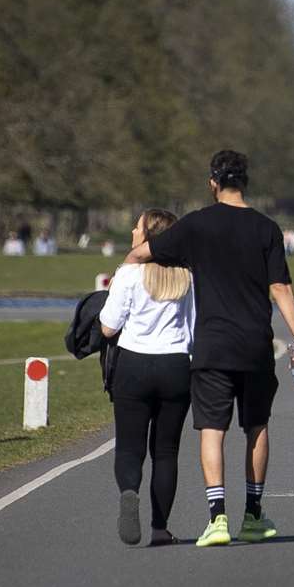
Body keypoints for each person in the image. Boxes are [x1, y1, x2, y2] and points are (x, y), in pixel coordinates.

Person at [124, 149, 294, 548]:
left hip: (212, 345)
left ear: (213, 183)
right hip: (256, 344)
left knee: (213, 429)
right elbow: (280, 287)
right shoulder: (267, 229)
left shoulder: (195, 226)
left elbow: (143, 254)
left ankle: (217, 518)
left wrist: (130, 272)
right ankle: (254, 516)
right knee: (256, 427)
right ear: (245, 182)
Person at [101, 208, 195, 547]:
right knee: (166, 451)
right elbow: (194, 329)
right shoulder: (187, 277)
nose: (132, 230)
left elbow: (109, 326)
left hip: (134, 365)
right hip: (174, 365)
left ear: (148, 235)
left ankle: (129, 491)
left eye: (137, 226)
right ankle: (159, 526)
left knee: (130, 446)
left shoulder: (128, 275)